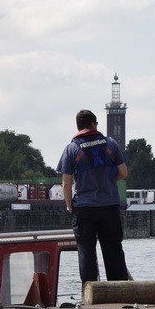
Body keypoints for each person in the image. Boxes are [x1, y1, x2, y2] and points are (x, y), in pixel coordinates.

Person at [57, 109, 130, 283]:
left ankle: (91, 293)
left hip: (84, 209)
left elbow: (66, 183)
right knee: (113, 251)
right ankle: (119, 292)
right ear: (93, 124)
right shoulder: (110, 144)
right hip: (109, 206)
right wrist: (109, 180)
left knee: (86, 253)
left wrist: (69, 206)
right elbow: (123, 172)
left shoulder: (71, 149)